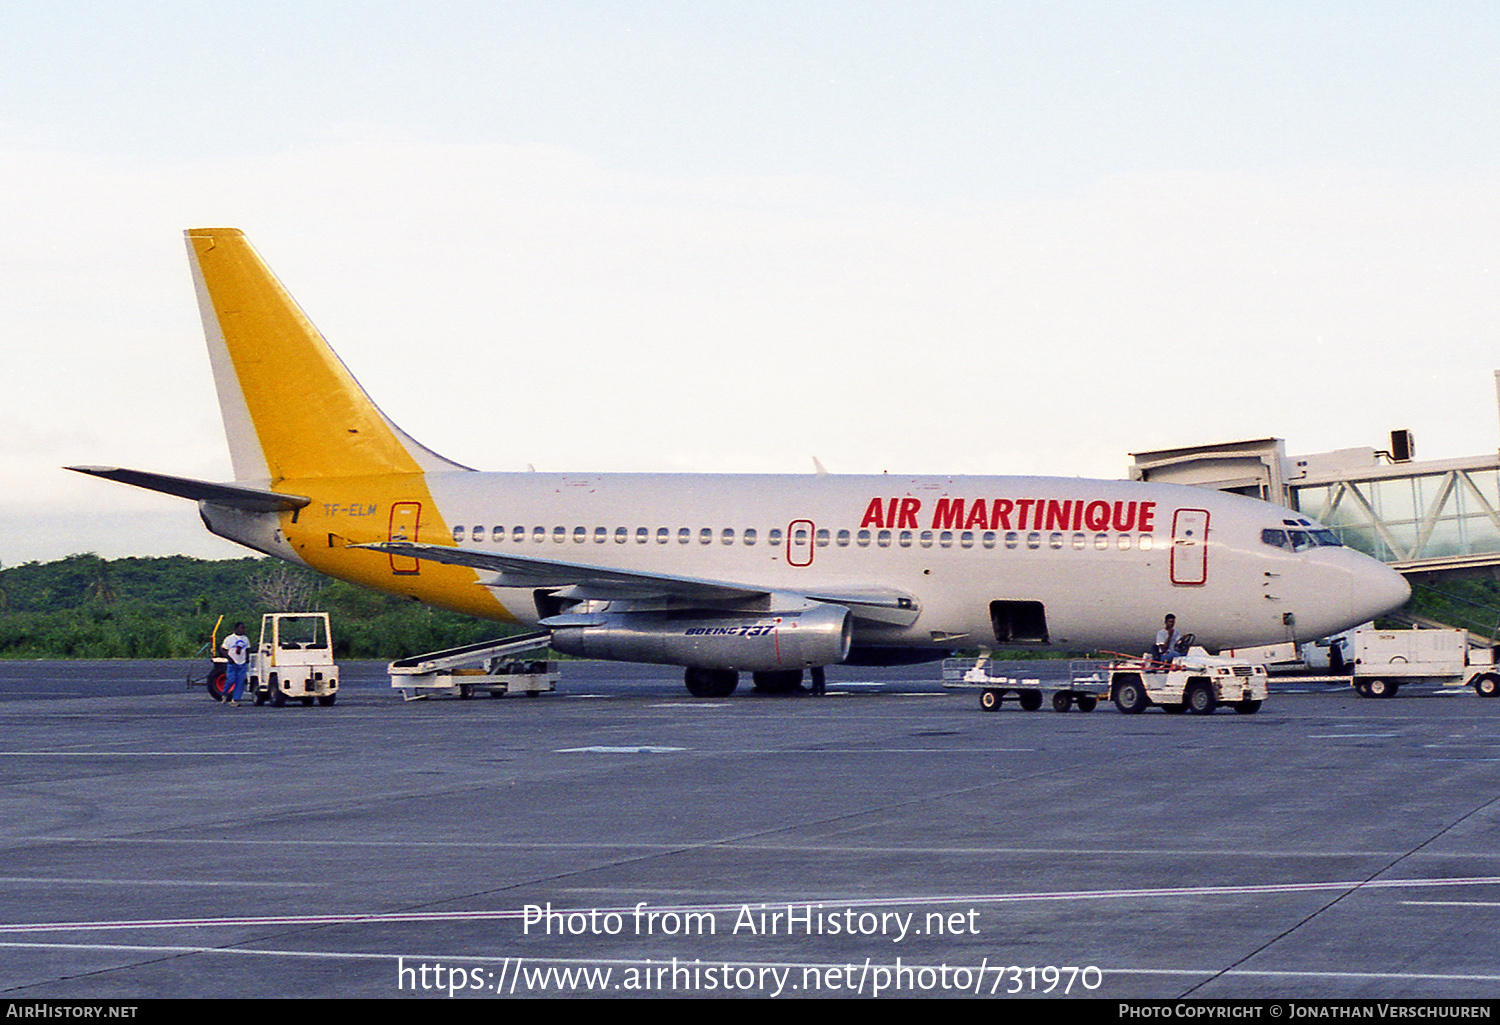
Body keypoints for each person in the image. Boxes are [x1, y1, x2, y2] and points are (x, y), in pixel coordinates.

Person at [222, 622, 250, 706]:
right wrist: (229, 658)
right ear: (236, 628)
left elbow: (247, 649)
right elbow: (223, 650)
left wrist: (247, 658)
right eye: (241, 628)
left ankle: (236, 699)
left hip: (242, 662)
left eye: (243, 628)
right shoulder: (229, 639)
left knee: (240, 681)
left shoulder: (245, 639)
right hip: (233, 662)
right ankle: (225, 693)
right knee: (231, 679)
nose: (242, 630)